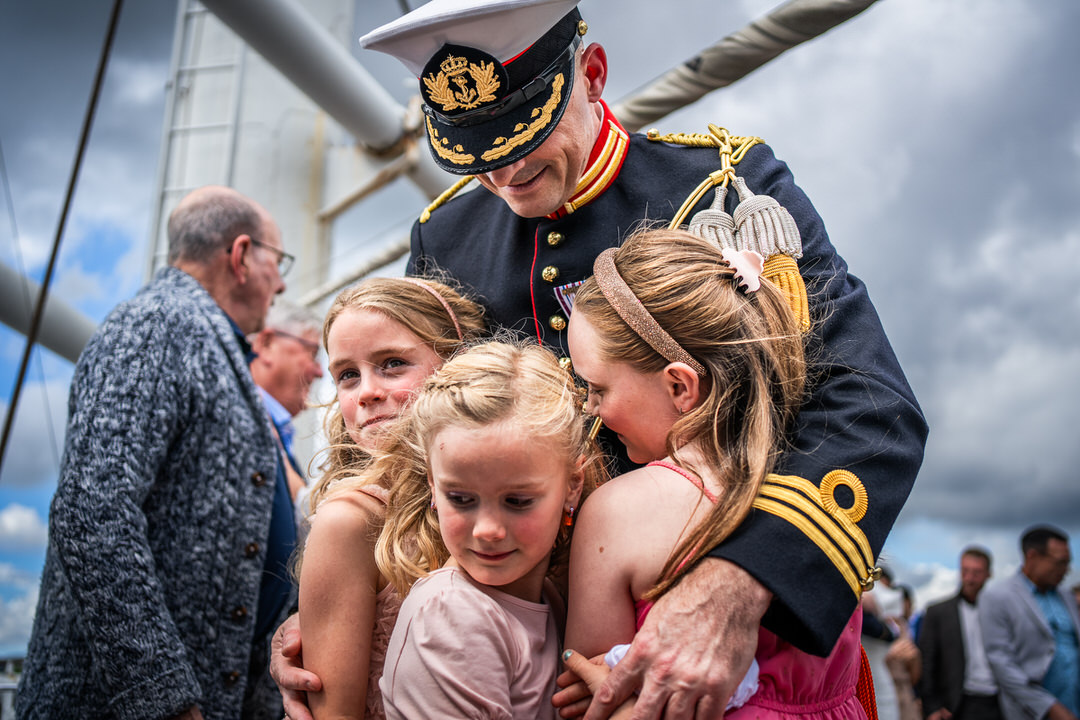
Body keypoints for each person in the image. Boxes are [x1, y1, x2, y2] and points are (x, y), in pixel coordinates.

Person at [275, 1, 929, 716]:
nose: (506, 171)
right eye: (477, 150)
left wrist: (742, 580)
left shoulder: (720, 188)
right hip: (504, 643)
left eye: (525, 132)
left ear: (592, 73)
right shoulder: (448, 235)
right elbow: (413, 445)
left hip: (711, 647)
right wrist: (341, 609)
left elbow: (868, 405)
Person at [560, 227, 867, 719]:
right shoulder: (812, 499)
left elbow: (591, 700)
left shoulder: (618, 512)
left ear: (680, 386)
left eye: (597, 388)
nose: (592, 410)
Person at [17, 186, 294, 720]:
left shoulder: (203, 340)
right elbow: (93, 511)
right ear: (240, 256)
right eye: (277, 261)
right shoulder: (158, 325)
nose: (281, 282)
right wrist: (163, 696)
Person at [371, 341, 607, 718]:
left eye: (517, 501)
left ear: (572, 486)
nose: (488, 530)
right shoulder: (452, 614)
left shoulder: (552, 595)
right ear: (433, 486)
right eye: (461, 499)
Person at [296, 277, 485, 719]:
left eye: (393, 363)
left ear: (458, 365)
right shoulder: (351, 520)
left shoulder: (509, 496)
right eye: (347, 375)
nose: (367, 392)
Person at [981, 525, 1079, 720]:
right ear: (1033, 557)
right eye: (1060, 562)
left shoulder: (1066, 596)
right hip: (1033, 713)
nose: (1067, 570)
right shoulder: (998, 597)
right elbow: (1002, 664)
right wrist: (1050, 708)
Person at [249, 300, 325, 508]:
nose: (320, 372)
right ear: (267, 345)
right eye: (313, 354)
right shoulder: (245, 421)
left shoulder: (276, 428)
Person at [918, 546, 1002, 720]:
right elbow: (926, 660)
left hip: (998, 702)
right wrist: (932, 707)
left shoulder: (1001, 611)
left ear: (989, 574)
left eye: (977, 572)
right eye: (965, 571)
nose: (969, 578)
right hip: (956, 705)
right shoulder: (938, 612)